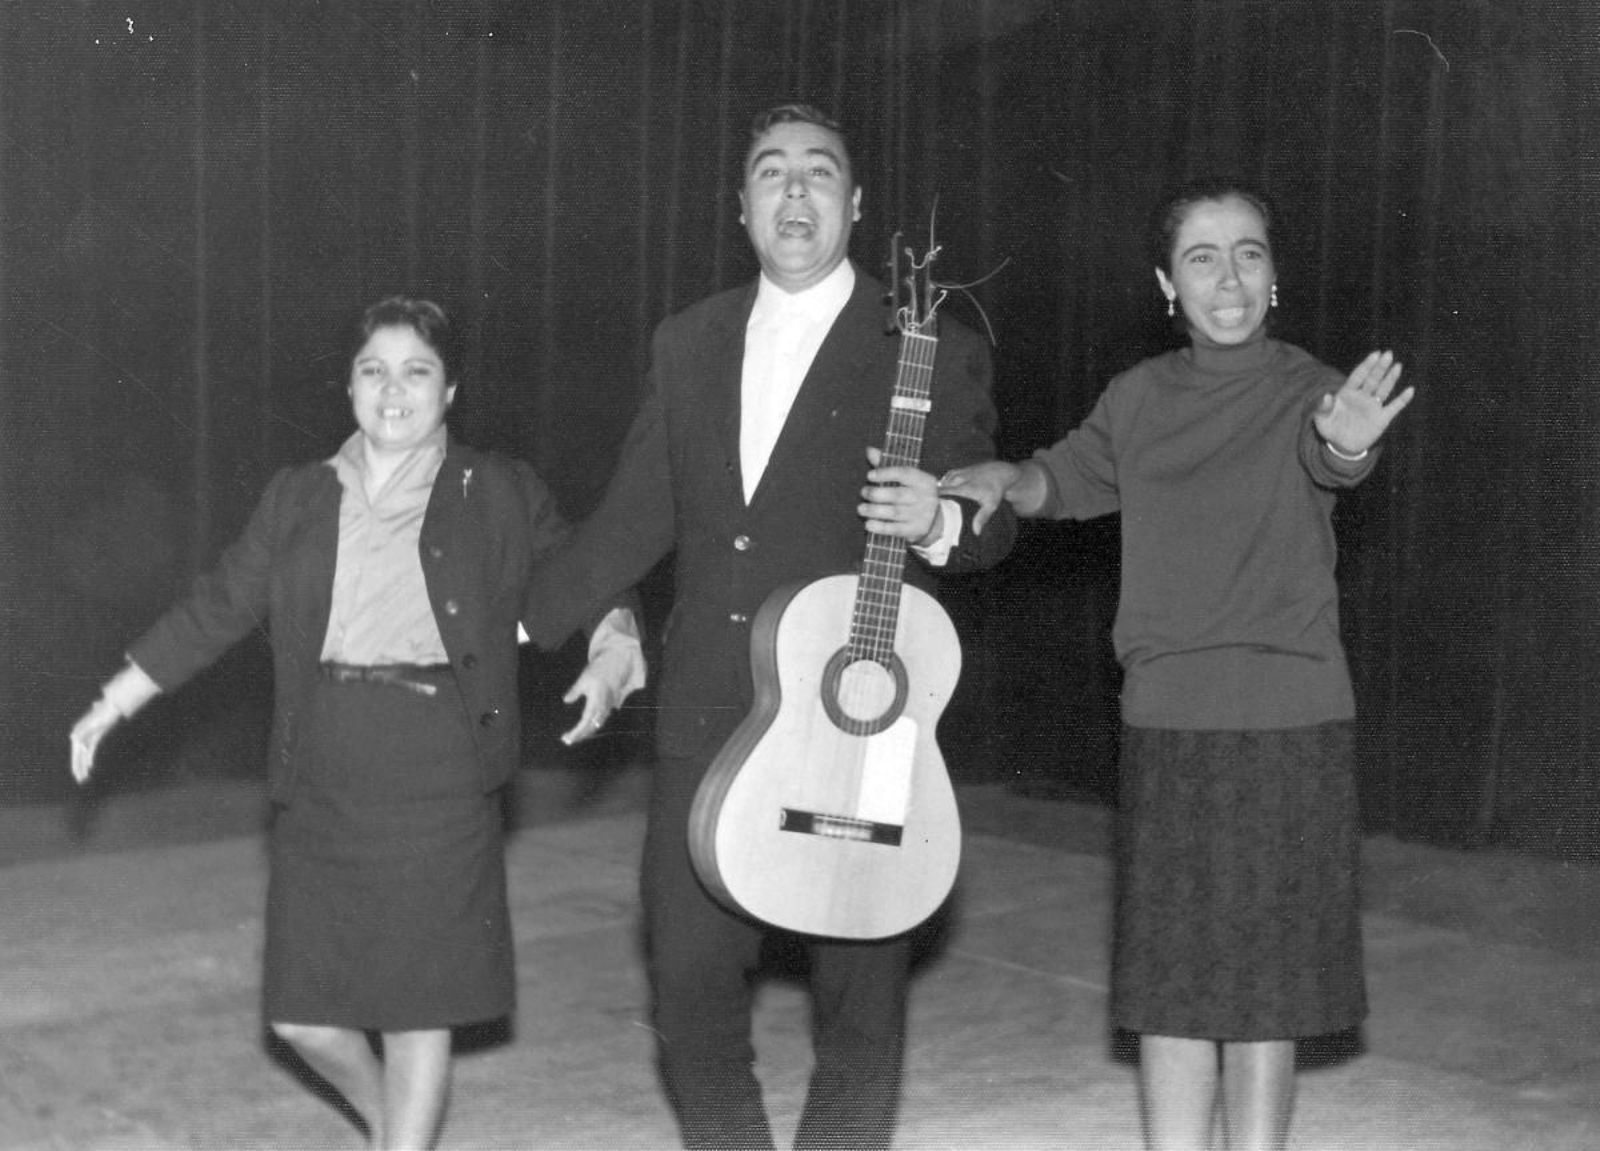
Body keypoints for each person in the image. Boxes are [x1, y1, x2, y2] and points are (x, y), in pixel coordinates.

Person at [521, 104, 1016, 1149]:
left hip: (858, 719)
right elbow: (632, 517)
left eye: (819, 174)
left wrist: (941, 516)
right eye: (772, 175)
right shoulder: (687, 340)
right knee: (688, 984)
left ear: (856, 204)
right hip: (709, 702)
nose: (795, 195)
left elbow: (991, 516)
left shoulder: (924, 342)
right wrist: (520, 623)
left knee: (859, 1002)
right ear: (741, 206)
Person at [68, 296, 645, 1150]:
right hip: (324, 762)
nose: (394, 389)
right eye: (374, 370)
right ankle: (391, 1130)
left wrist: (613, 644)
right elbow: (221, 604)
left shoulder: (495, 488)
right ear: (349, 386)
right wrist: (116, 698)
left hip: (439, 763)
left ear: (450, 392)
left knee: (420, 1007)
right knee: (301, 1015)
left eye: (417, 371)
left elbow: (584, 569)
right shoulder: (300, 495)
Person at [940, 177, 1414, 1151]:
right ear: (1167, 283)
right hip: (1168, 724)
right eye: (1202, 255)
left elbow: (1332, 452)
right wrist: (1007, 477)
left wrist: (1348, 443)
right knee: (1172, 982)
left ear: (1275, 277)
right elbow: (1065, 477)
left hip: (1290, 723)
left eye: (1248, 252)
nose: (1228, 275)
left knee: (1264, 989)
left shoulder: (1309, 389)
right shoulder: (1138, 397)